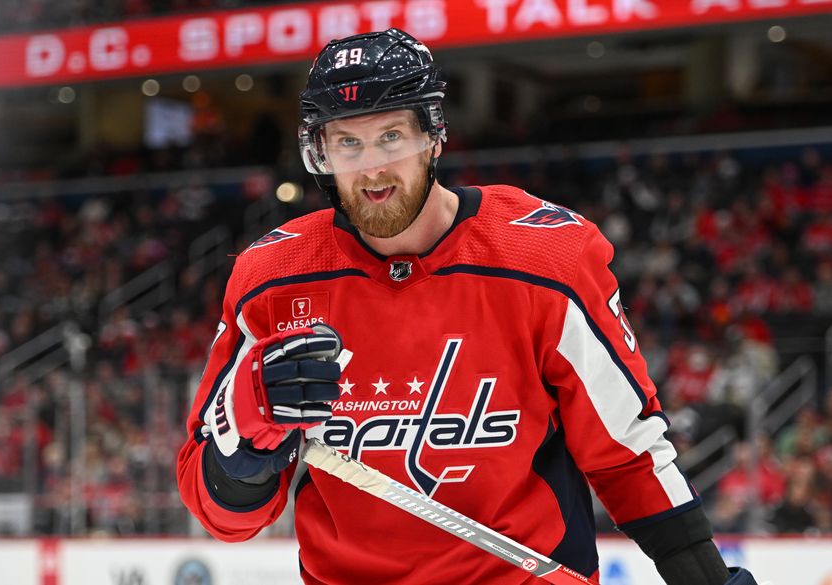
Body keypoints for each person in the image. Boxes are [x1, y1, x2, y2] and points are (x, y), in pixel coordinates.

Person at [177, 28, 758, 585]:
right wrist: (244, 444)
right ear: (320, 152)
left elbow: (624, 454)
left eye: (391, 137)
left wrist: (706, 577)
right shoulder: (273, 279)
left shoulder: (544, 259)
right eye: (347, 142)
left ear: (432, 135)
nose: (372, 167)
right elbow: (225, 519)